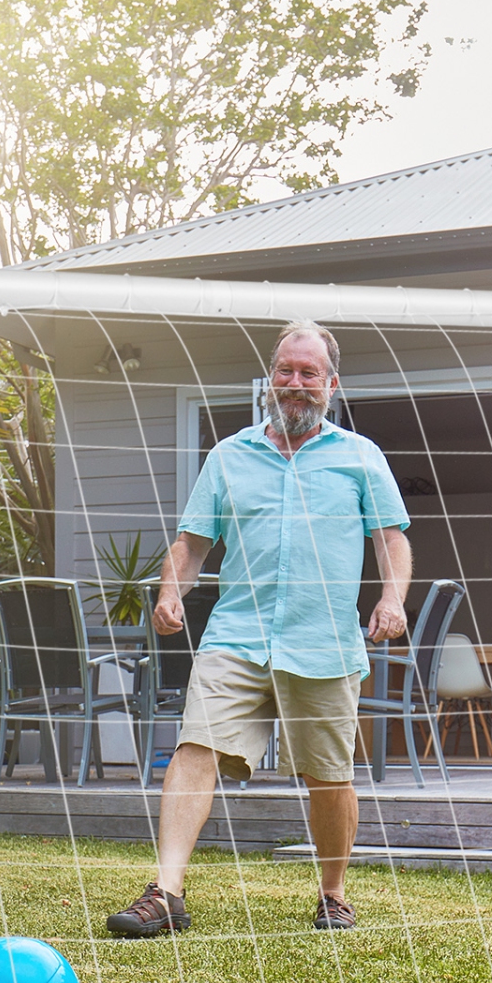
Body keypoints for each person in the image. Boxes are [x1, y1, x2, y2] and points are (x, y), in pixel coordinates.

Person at [106, 322, 412, 937]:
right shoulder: (229, 456)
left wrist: (392, 599)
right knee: (196, 747)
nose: (295, 384)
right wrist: (170, 592)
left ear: (331, 384)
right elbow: (192, 543)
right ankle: (166, 892)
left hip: (323, 639)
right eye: (285, 371)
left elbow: (390, 540)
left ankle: (333, 893)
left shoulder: (360, 457)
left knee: (329, 774)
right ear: (270, 379)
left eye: (308, 373)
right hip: (237, 636)